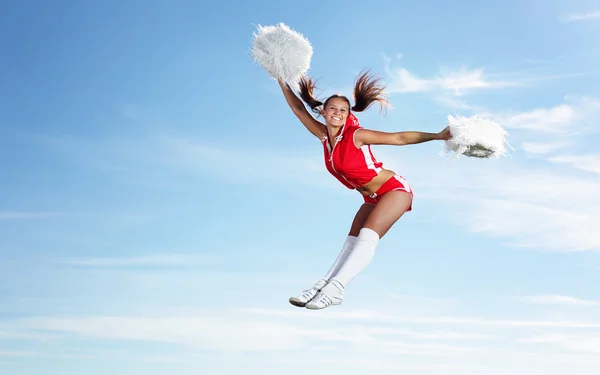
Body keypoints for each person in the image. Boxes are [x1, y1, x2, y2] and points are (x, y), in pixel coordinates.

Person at [277, 70, 451, 310]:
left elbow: (398, 138)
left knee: (367, 237)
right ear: (324, 112)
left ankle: (336, 289)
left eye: (342, 110)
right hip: (371, 196)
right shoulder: (325, 138)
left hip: (394, 190)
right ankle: (322, 285)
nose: (337, 113)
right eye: (332, 109)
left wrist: (438, 136)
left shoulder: (356, 135)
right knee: (350, 242)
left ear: (348, 115)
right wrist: (280, 78)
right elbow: (298, 109)